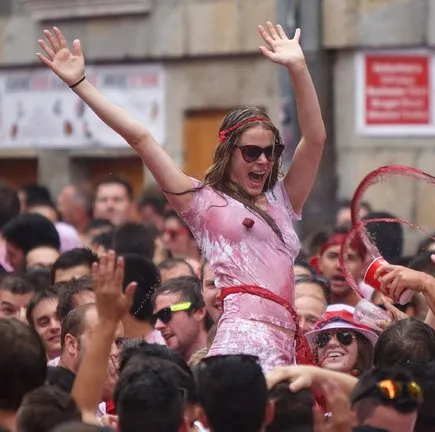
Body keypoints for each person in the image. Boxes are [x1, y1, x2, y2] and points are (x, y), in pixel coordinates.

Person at [38, 22, 326, 371]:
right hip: (241, 340)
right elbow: (141, 138)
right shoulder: (203, 202)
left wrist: (298, 68)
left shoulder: (284, 198)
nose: (263, 161)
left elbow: (315, 139)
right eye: (251, 152)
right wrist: (79, 84)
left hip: (288, 342)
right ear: (228, 153)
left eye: (271, 151)